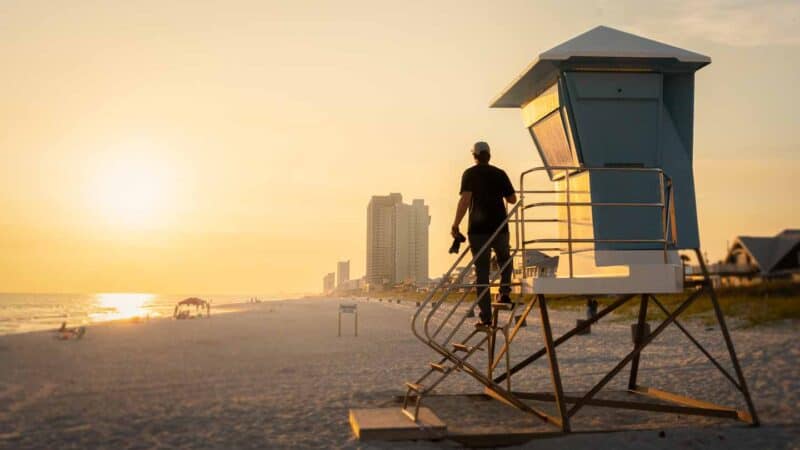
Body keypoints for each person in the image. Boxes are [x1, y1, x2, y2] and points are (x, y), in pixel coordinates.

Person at [451, 141, 517, 326]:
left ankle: (485, 316)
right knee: (504, 258)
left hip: (478, 229)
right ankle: (504, 292)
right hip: (499, 227)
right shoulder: (499, 173)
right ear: (489, 155)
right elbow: (512, 199)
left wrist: (456, 224)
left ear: (474, 156)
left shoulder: (470, 174)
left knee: (482, 273)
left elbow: (465, 201)